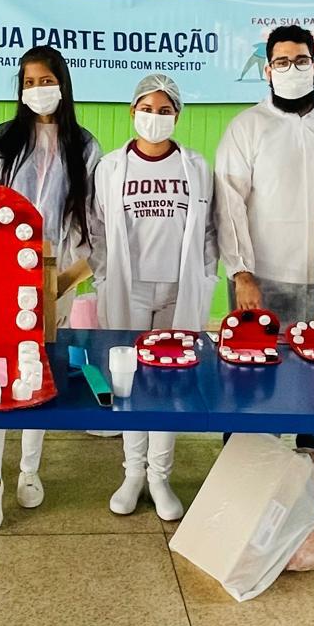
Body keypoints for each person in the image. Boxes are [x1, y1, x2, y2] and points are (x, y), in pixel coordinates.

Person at [214, 23, 314, 457]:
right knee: (252, 383)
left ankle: (313, 480)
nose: (291, 69)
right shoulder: (246, 127)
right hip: (261, 282)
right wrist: (242, 272)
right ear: (267, 70)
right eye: (281, 62)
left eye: (300, 61)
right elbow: (229, 203)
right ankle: (247, 475)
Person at [0, 45, 101, 532]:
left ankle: (29, 470)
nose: (37, 90)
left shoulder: (84, 146)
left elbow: (94, 225)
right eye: (28, 82)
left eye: (46, 80)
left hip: (56, 278)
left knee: (37, 372)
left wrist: (61, 283)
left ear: (63, 85)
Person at [89, 74, 217, 520]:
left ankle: (160, 476)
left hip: (180, 288)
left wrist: (205, 278)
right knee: (128, 380)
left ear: (177, 116)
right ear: (132, 112)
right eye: (147, 109)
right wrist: (104, 278)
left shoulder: (196, 167)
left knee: (170, 383)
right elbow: (97, 230)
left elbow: (210, 232)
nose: (155, 118)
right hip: (130, 287)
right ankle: (132, 474)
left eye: (164, 111)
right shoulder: (110, 167)